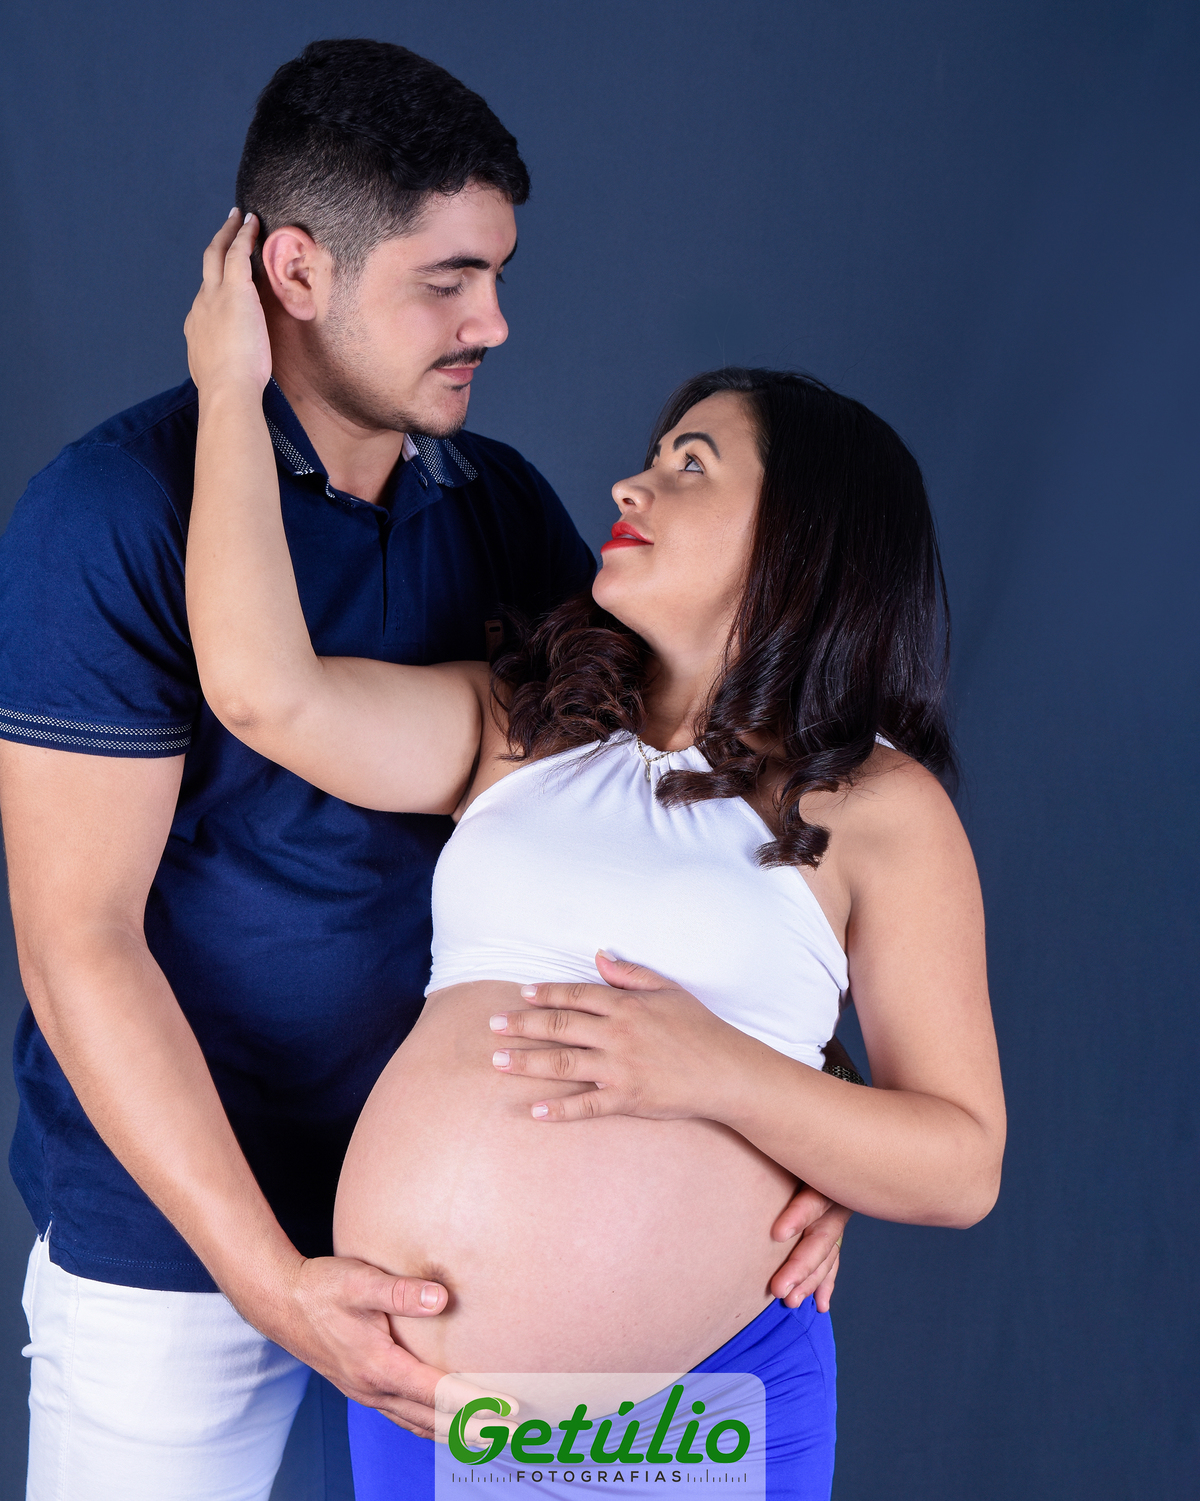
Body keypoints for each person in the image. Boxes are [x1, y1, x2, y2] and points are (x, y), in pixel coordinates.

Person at [0, 39, 847, 1500]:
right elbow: (80, 939)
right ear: (294, 273)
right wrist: (268, 1278)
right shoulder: (112, 512)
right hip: (182, 1248)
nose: (494, 323)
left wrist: (816, 1112)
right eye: (448, 281)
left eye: (499, 276)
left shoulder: (495, 504)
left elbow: (678, 793)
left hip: (460, 1265)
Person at [182, 210, 1007, 1499]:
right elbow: (263, 695)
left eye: (691, 466)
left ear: (803, 539)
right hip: (431, 1408)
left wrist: (724, 1075)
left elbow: (961, 1163)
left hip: (695, 1409)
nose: (630, 488)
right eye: (652, 457)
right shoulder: (520, 727)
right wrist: (231, 392)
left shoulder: (877, 805)